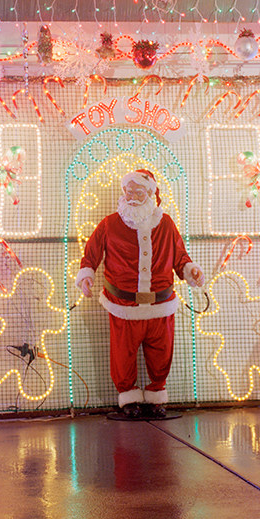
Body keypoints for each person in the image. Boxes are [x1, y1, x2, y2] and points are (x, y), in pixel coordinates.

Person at [76, 169, 205, 419]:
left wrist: (191, 270)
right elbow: (91, 252)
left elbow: (180, 256)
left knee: (162, 352)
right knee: (122, 354)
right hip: (123, 305)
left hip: (161, 304)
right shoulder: (109, 223)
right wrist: (86, 275)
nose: (133, 196)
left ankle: (156, 396)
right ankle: (129, 398)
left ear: (151, 193)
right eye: (129, 191)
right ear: (123, 192)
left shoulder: (165, 223)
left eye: (139, 191)